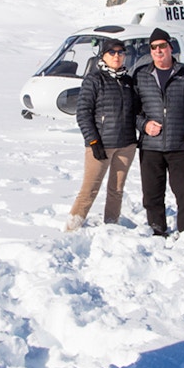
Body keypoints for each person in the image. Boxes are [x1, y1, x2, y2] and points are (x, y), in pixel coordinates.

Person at [134, 27, 184, 236]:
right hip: (150, 147)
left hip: (180, 145)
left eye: (162, 46)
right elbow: (133, 112)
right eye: (154, 47)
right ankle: (157, 230)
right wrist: (144, 125)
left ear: (170, 47)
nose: (158, 51)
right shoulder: (141, 75)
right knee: (151, 194)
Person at [66, 38, 139, 231]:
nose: (117, 56)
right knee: (89, 189)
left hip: (126, 144)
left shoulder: (128, 81)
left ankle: (111, 225)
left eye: (120, 52)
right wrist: (93, 140)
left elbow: (136, 112)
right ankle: (72, 227)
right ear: (103, 56)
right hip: (101, 145)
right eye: (112, 52)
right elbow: (83, 113)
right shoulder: (94, 79)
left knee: (116, 189)